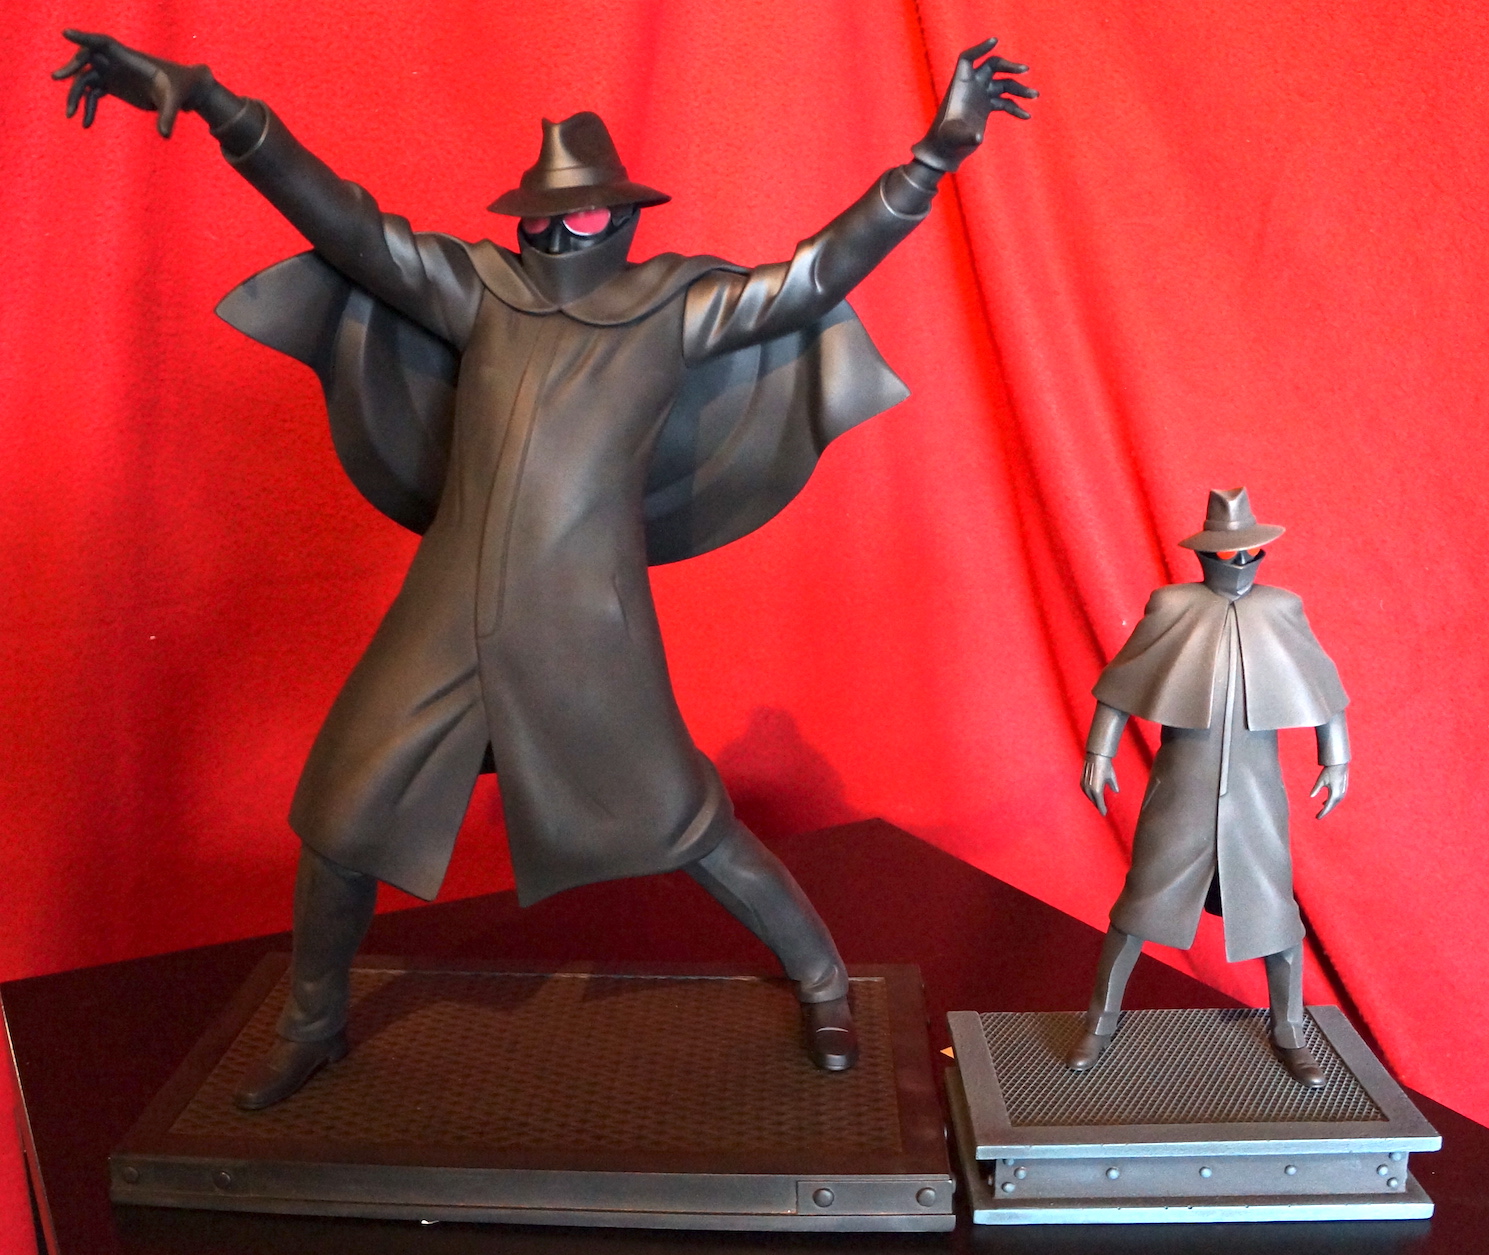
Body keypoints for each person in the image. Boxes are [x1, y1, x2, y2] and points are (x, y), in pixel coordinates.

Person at [54, 28, 1037, 1109]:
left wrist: (932, 159)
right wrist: (213, 102)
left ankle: (822, 981)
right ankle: (312, 1024)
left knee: (685, 821)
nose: (559, 235)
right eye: (542, 219)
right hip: (445, 617)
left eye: (582, 216)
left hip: (586, 628)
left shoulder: (674, 308)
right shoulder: (478, 292)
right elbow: (341, 219)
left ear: (623, 215)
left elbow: (811, 277)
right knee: (341, 816)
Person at [1075, 488, 1350, 1087]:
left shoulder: (1282, 608)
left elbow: (1321, 683)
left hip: (1256, 792)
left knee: (1274, 912)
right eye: (1227, 554)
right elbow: (1121, 680)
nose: (1240, 563)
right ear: (1203, 554)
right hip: (1181, 786)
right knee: (1138, 904)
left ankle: (1289, 1030)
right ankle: (1099, 1022)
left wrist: (1336, 758)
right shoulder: (1173, 605)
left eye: (1250, 551)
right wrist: (1100, 750)